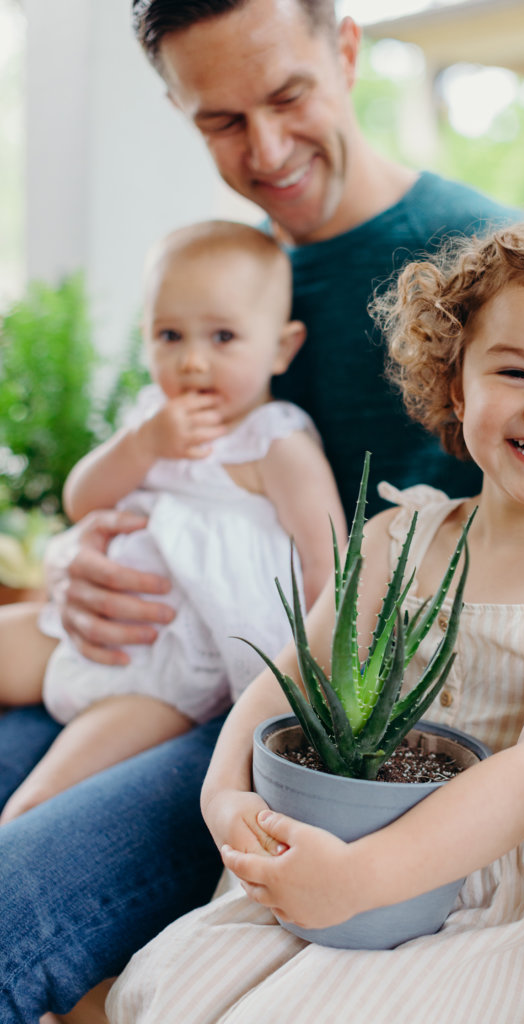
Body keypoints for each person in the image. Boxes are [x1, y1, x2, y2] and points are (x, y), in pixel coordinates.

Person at [1, 1, 524, 1018]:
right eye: (221, 120)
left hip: (348, 737)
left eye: (287, 97)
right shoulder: (227, 274)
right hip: (195, 674)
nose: (267, 148)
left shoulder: (496, 264)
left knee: (12, 910)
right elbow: (175, 469)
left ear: (347, 50)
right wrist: (80, 556)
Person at [107, 216, 524, 1024]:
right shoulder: (391, 541)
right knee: (169, 987)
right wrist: (224, 798)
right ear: (457, 384)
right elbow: (289, 679)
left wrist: (361, 881)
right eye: (514, 371)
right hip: (340, 854)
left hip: (520, 904)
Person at [0, 219, 345, 826]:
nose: (192, 361)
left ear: (281, 348)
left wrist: (318, 690)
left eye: (223, 336)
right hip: (76, 629)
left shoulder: (275, 445)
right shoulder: (150, 419)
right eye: (169, 335)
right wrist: (140, 445)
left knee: (34, 807)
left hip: (167, 674)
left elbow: (330, 565)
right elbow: (81, 500)